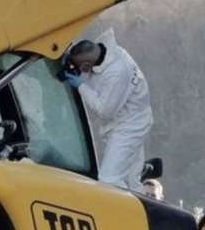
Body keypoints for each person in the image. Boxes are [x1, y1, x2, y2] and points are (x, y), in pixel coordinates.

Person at [64, 30, 153, 193]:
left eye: (78, 68)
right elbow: (96, 78)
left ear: (86, 66)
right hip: (130, 119)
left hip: (130, 125)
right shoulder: (105, 54)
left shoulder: (118, 71)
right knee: (130, 181)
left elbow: (105, 111)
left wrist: (80, 85)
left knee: (109, 180)